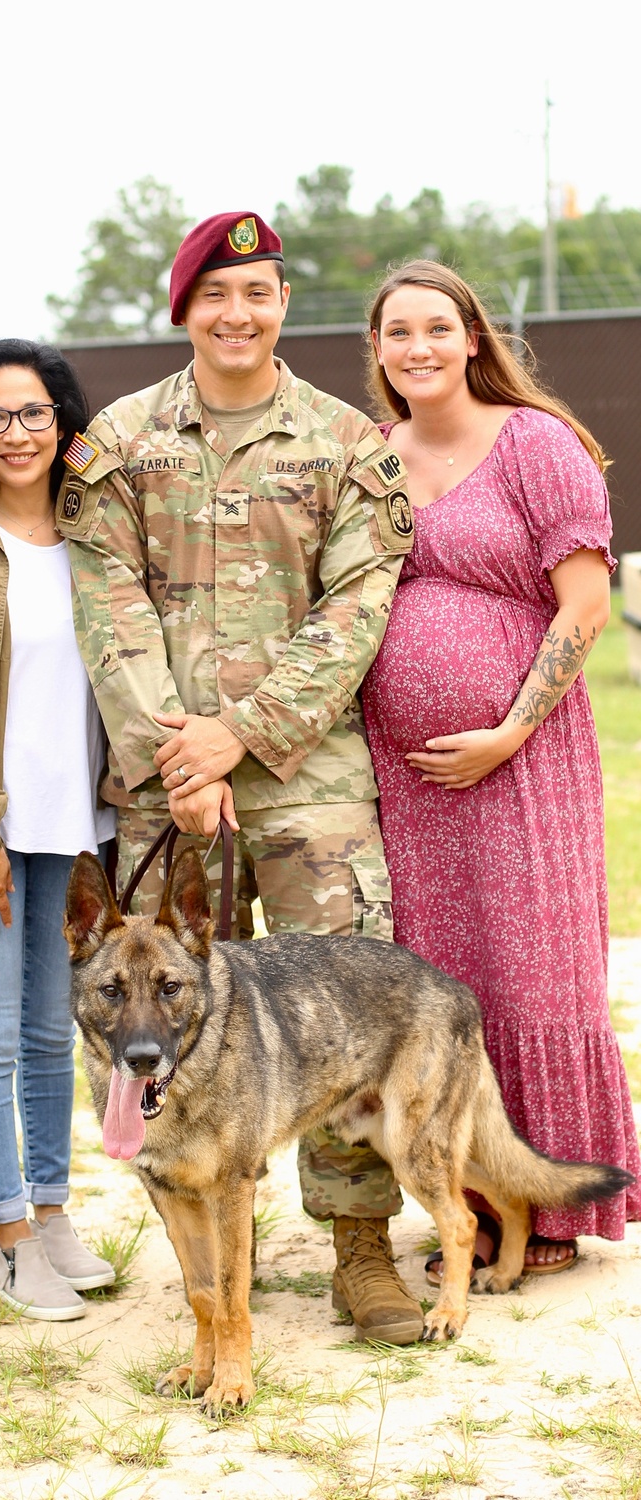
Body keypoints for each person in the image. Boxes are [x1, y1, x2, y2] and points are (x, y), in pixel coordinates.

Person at [55, 212, 425, 1344]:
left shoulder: (346, 442)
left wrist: (244, 734)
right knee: (153, 1010)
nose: (238, 313)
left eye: (258, 291)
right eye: (215, 294)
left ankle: (360, 1252)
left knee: (341, 1024)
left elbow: (358, 603)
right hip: (167, 789)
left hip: (306, 785)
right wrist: (182, 751)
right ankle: (216, 1269)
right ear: (184, 309)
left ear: (280, 304)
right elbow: (106, 608)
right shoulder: (118, 441)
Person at [362, 259, 641, 1279]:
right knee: (443, 986)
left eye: (437, 328)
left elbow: (584, 608)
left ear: (472, 337)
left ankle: (550, 1207)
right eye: (398, 333)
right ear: (379, 351)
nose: (419, 348)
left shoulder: (536, 445)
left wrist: (505, 734)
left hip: (522, 762)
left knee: (530, 975)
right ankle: (468, 1205)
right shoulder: (374, 456)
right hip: (408, 781)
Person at [0, 339, 117, 1321]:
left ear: (62, 420)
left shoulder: (92, 534)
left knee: (52, 1032)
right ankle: (5, 1240)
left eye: (33, 413)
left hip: (74, 824)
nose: (15, 433)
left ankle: (50, 1215)